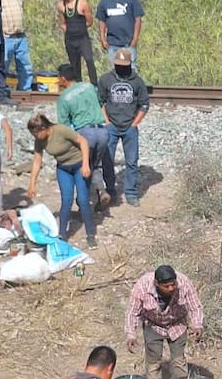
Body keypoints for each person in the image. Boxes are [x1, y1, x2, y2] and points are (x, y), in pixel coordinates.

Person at [124, 265, 204, 379]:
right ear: (156, 283)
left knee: (179, 362)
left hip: (177, 324)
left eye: (173, 284)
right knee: (153, 364)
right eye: (166, 286)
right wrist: (131, 334)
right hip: (153, 325)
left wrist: (197, 324)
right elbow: (132, 312)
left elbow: (196, 306)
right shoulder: (143, 286)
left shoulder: (184, 283)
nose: (171, 288)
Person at [25, 114, 97, 248]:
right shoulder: (39, 141)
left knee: (82, 199)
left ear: (44, 129)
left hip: (79, 164)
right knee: (66, 200)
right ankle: (62, 234)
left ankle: (90, 234)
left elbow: (83, 142)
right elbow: (37, 162)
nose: (35, 137)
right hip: (63, 169)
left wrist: (86, 164)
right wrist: (32, 184)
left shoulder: (61, 130)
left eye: (36, 134)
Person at [97, 48, 149, 206]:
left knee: (132, 161)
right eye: (118, 64)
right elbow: (100, 101)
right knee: (107, 161)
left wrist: (134, 123)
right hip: (111, 126)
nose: (121, 67)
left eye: (124, 65)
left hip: (129, 127)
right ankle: (111, 191)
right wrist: (107, 122)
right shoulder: (106, 79)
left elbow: (144, 105)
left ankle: (131, 192)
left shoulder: (137, 81)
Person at [56, 64, 109, 204]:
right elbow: (100, 104)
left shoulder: (64, 98)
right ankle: (101, 190)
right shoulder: (89, 86)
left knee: (83, 167)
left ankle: (86, 201)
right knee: (94, 165)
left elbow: (64, 125)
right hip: (103, 132)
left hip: (85, 133)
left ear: (63, 79)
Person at [0, 0, 35, 94]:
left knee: (25, 66)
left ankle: (25, 90)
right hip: (6, 36)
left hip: (21, 36)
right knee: (4, 65)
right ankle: (2, 90)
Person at [95, 0, 144, 66]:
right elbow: (102, 21)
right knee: (115, 70)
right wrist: (102, 38)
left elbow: (138, 19)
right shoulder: (105, 2)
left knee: (131, 69)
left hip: (128, 44)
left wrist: (135, 39)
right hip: (113, 44)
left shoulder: (131, 0)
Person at [57, 0, 97, 82]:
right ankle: (78, 84)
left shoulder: (82, 4)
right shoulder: (61, 6)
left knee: (89, 60)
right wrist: (69, 31)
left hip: (82, 39)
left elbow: (90, 21)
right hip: (70, 39)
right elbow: (62, 22)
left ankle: (94, 85)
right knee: (74, 64)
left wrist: (79, 29)